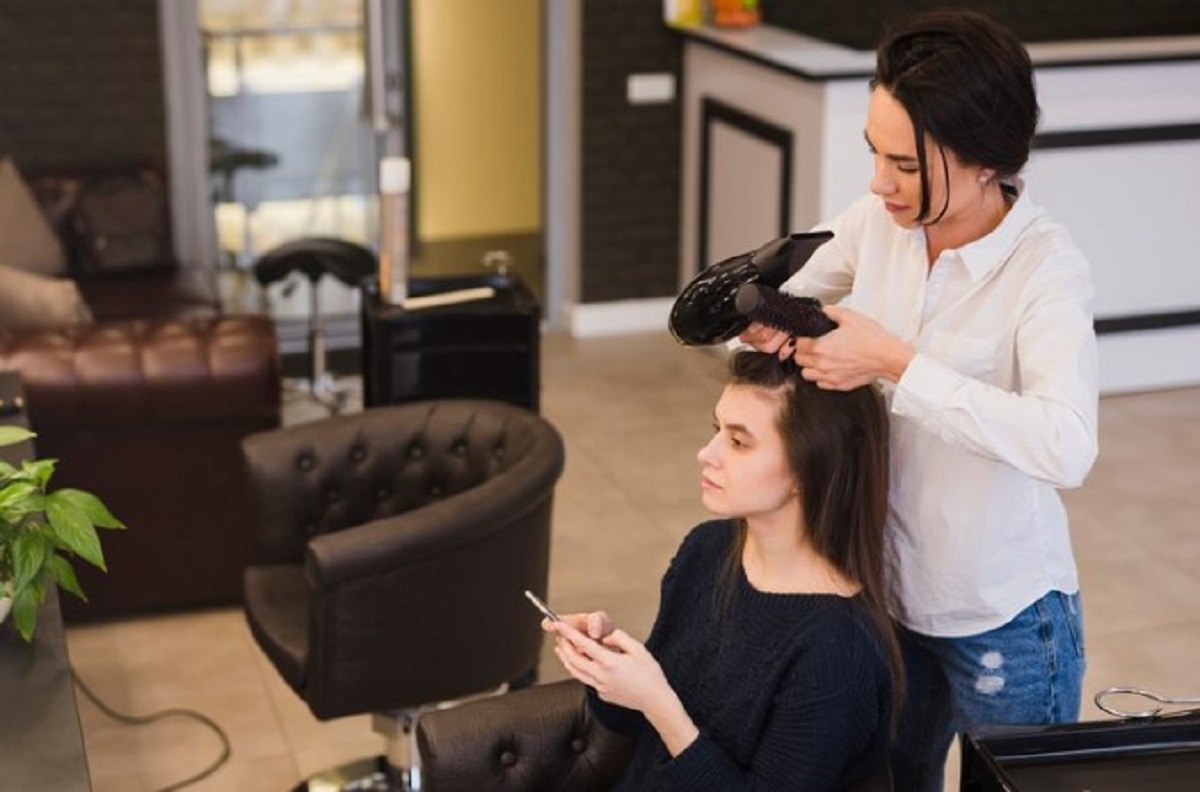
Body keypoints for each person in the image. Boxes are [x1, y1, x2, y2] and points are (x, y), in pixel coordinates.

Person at [739, 9, 1098, 791]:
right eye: (875, 154)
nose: (877, 183)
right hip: (889, 595)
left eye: (904, 164)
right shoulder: (879, 226)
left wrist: (899, 362)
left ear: (984, 162)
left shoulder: (1046, 272)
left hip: (1003, 623)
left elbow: (1067, 444)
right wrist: (766, 323)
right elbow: (753, 315)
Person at [544, 350, 901, 791]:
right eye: (717, 431)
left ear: (807, 469)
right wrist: (609, 668)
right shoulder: (706, 550)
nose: (705, 454)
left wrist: (660, 704)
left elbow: (667, 719)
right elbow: (636, 725)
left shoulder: (836, 652)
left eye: (738, 441)